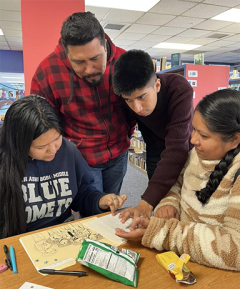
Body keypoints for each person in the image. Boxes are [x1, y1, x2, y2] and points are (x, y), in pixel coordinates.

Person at [116, 89, 240, 271]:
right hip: (180, 256)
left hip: (214, 271)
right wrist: (169, 202)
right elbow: (177, 183)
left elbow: (234, 250)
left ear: (235, 139)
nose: (193, 139)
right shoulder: (195, 155)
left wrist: (160, 232)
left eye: (203, 135)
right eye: (194, 129)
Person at [30, 12, 135, 195]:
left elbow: (135, 109)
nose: (89, 69)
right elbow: (42, 123)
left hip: (119, 152)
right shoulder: (47, 72)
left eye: (95, 59)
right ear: (66, 52)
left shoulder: (124, 62)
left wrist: (127, 135)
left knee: (111, 206)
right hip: (82, 158)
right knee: (90, 211)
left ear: (105, 45)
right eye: (78, 62)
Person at [0, 95, 127, 239]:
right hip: (19, 239)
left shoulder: (67, 150)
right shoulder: (5, 161)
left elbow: (82, 193)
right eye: (41, 147)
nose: (53, 150)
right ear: (19, 144)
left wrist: (100, 200)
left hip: (63, 233)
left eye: (57, 139)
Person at [112, 50, 193, 226]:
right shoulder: (132, 102)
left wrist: (146, 202)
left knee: (186, 203)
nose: (137, 108)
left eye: (142, 97)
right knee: (161, 203)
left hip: (189, 149)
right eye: (128, 100)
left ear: (156, 85)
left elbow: (178, 148)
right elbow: (150, 140)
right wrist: (151, 200)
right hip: (155, 147)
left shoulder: (179, 89)